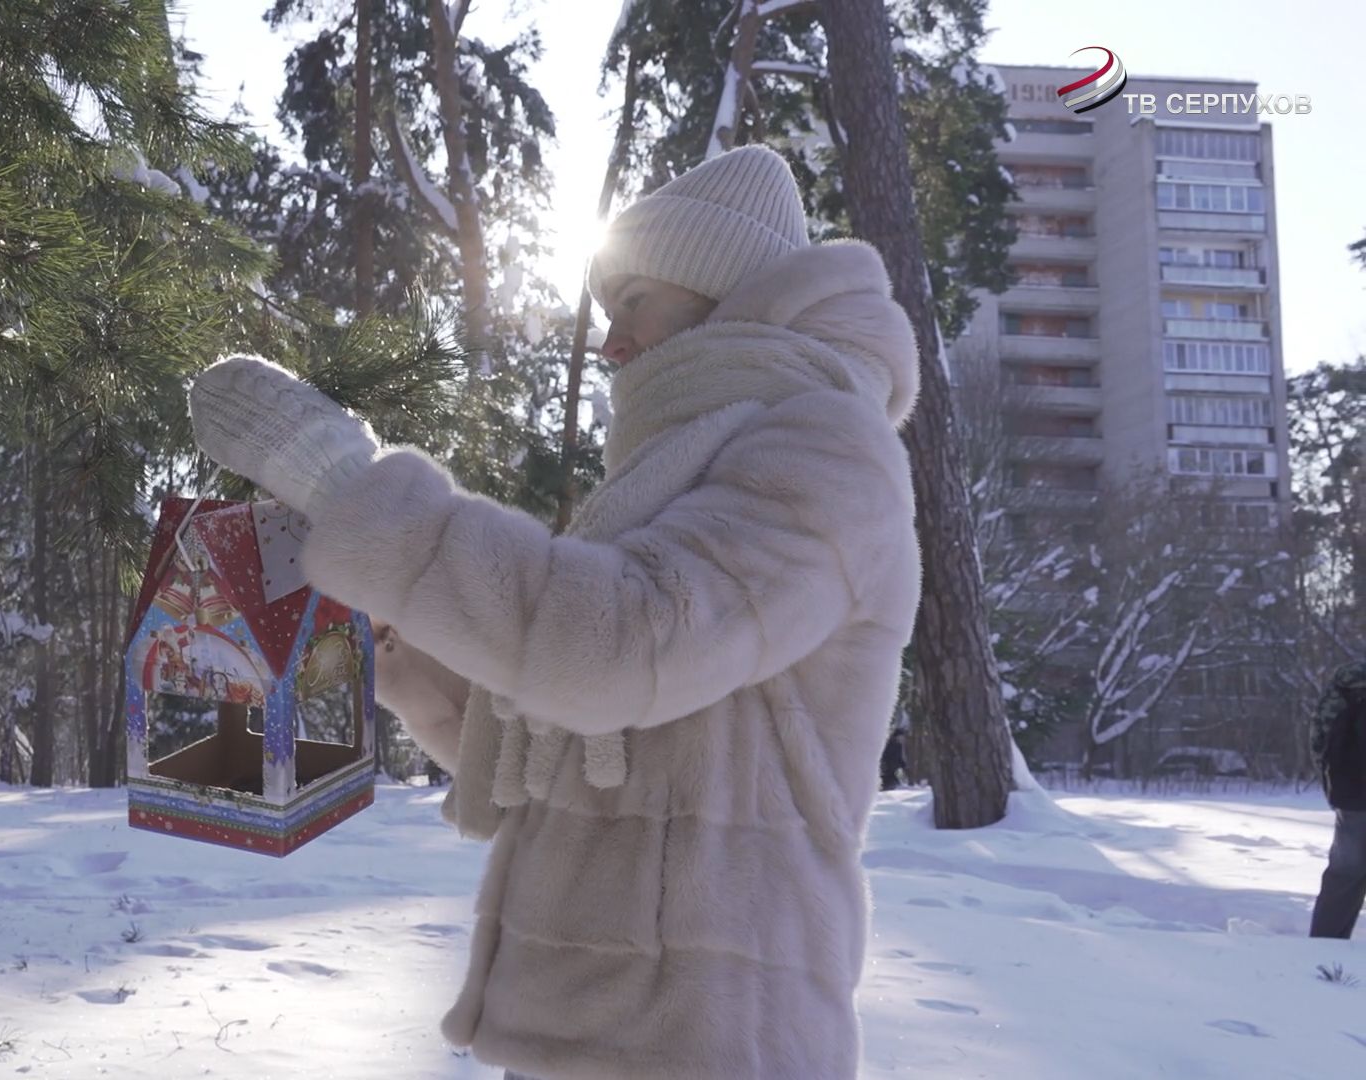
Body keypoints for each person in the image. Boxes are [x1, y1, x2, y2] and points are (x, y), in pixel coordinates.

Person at [190, 144, 921, 1079]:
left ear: (719, 287)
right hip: (600, 1020)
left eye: (633, 302)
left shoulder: (827, 447)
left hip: (711, 1029)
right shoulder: (685, 465)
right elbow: (580, 748)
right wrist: (396, 637)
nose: (611, 342)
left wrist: (352, 492)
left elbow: (622, 649)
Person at [1310, 660, 1366, 939]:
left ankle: (1326, 942)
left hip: (1350, 798)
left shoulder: (1341, 693)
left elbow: (1320, 746)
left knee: (1345, 876)